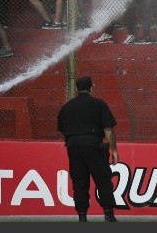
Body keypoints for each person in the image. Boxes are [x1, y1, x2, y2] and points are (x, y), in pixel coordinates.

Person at [56, 76, 119, 222]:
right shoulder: (98, 104)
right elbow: (108, 129)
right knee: (103, 179)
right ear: (92, 87)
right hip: (93, 145)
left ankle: (82, 216)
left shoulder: (67, 107)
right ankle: (108, 214)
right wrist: (114, 150)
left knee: (79, 181)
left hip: (73, 146)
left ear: (76, 89)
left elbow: (62, 130)